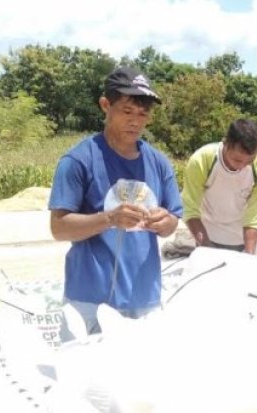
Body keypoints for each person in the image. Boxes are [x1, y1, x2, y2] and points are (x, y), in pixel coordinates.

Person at [49, 66, 183, 336]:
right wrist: (110, 218)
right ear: (105, 105)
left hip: (144, 298)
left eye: (143, 114)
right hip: (89, 301)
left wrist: (165, 222)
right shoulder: (78, 161)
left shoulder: (159, 163)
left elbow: (172, 223)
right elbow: (59, 228)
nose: (136, 121)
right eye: (127, 111)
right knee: (85, 364)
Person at [181, 119, 257, 254]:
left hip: (242, 240)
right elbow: (190, 209)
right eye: (237, 160)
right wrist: (208, 250)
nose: (242, 166)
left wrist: (249, 256)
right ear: (225, 143)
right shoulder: (202, 160)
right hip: (206, 236)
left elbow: (255, 216)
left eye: (250, 161)